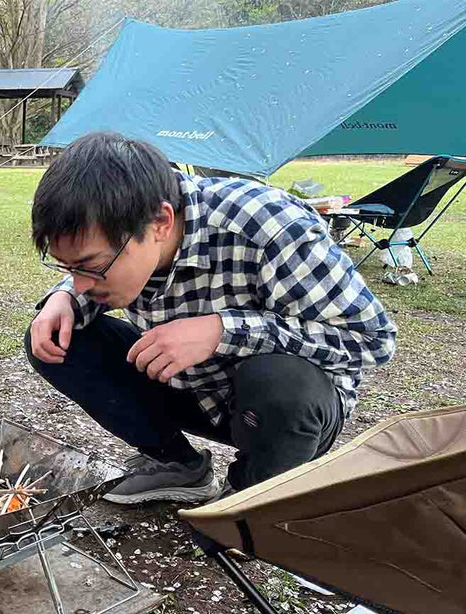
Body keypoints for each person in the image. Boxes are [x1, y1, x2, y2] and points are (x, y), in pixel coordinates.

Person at [26, 133, 396, 504]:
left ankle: (249, 496)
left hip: (281, 412)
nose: (82, 282)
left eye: (90, 266)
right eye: (69, 268)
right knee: (60, 335)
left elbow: (372, 340)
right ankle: (178, 465)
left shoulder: (269, 226)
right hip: (192, 389)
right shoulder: (127, 236)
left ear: (160, 223)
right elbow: (93, 273)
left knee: (280, 381)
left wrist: (222, 330)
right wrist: (65, 298)